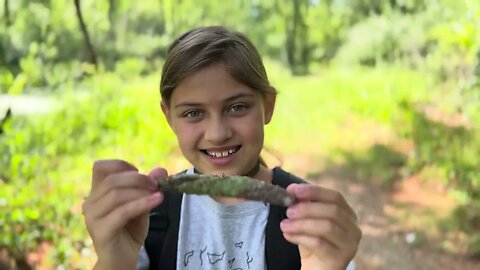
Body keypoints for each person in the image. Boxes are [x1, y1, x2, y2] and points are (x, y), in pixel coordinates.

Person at [81, 26, 361, 270]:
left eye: (237, 107)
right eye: (193, 113)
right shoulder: (148, 221)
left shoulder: (307, 220)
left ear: (267, 106)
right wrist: (114, 260)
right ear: (169, 117)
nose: (217, 134)